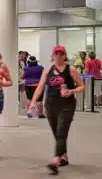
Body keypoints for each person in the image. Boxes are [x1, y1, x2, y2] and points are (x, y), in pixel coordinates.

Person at [28, 46, 85, 175]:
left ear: (65, 56)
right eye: (56, 54)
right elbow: (41, 86)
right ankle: (64, 156)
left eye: (61, 54)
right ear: (52, 55)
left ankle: (55, 159)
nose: (59, 56)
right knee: (56, 132)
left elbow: (82, 86)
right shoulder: (47, 70)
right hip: (51, 104)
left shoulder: (71, 70)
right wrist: (33, 102)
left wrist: (71, 91)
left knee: (61, 131)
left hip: (67, 104)